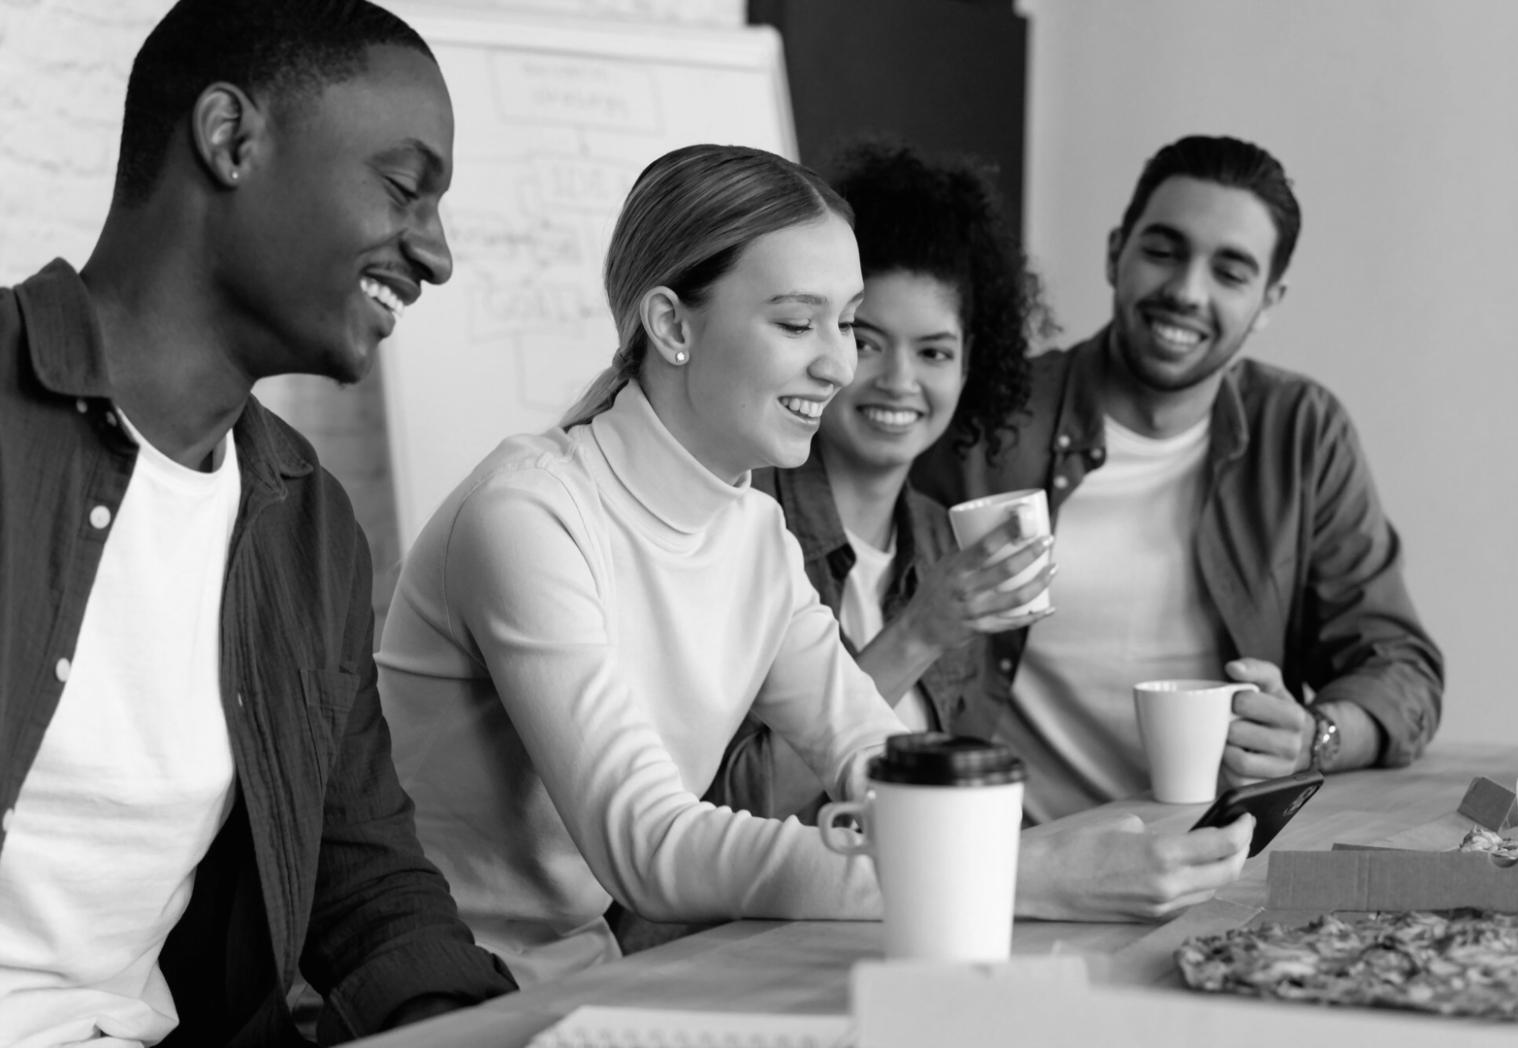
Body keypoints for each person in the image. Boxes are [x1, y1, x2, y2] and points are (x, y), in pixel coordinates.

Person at [376, 143, 1254, 986]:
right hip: (440, 995)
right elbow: (649, 848)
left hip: (583, 975)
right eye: (799, 323)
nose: (837, 364)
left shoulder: (751, 531)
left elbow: (869, 751)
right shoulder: (530, 514)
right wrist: (1012, 874)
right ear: (671, 324)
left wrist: (1038, 848)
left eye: (843, 322)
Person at [0, 2, 517, 1045]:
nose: (436, 254)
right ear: (231, 138)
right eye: (403, 187)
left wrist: (466, 1023)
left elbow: (362, 875)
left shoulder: (306, 524)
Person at [914, 134, 1445, 822]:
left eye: (1230, 272)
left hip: (1220, 852)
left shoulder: (1301, 432)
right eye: (1163, 252)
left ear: (1269, 301)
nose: (1186, 292)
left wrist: (1314, 738)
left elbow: (1402, 668)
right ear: (1116, 253)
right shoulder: (992, 417)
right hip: (1011, 851)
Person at [704, 139, 1055, 824]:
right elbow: (733, 803)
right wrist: (921, 631)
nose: (899, 381)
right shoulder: (742, 521)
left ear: (970, 367)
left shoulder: (942, 540)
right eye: (865, 342)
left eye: (934, 352)